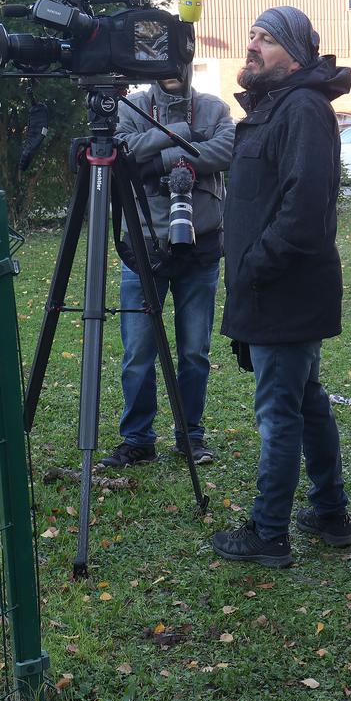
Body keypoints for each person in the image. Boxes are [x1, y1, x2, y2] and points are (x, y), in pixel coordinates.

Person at [210, 7, 351, 568]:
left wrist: (254, 268)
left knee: (279, 413)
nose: (252, 46)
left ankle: (269, 532)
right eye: (251, 34)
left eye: (266, 39)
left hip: (284, 289)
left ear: (295, 54)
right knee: (307, 402)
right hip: (272, 288)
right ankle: (330, 512)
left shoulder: (303, 109)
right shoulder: (278, 106)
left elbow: (305, 210)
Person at [98, 77, 235, 468]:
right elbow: (123, 153)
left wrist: (160, 155)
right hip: (141, 248)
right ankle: (138, 438)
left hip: (202, 246)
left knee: (194, 351)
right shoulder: (132, 106)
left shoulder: (213, 108)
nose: (173, 67)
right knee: (138, 350)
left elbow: (226, 149)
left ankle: (190, 436)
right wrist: (176, 137)